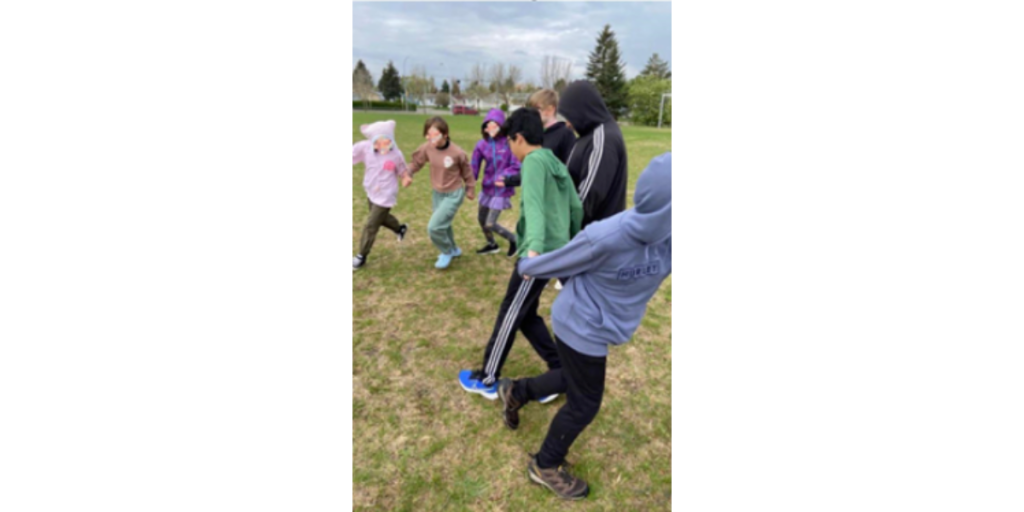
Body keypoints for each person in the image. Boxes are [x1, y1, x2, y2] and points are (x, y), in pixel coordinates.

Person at [497, 152, 672, 500]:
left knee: (573, 378)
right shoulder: (607, 236)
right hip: (580, 322)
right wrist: (529, 262)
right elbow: (549, 263)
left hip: (601, 323)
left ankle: (516, 392)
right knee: (585, 402)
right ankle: (545, 465)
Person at [458, 108, 582, 401]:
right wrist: (570, 239)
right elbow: (575, 207)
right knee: (525, 314)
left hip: (537, 256)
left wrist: (533, 253)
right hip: (554, 250)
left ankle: (488, 378)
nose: (509, 148)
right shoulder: (552, 159)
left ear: (519, 138)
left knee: (510, 311)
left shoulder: (534, 163)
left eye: (510, 141)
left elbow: (536, 208)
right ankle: (558, 369)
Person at [557, 80, 629, 229]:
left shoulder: (603, 139)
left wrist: (560, 225)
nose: (568, 124)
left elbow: (586, 200)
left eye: (569, 116)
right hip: (587, 237)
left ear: (581, 110)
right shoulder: (589, 135)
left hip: (596, 239)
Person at [407, 116, 475, 269]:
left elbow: (467, 171)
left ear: (445, 134)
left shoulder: (457, 152)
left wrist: (470, 188)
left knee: (434, 227)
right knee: (444, 224)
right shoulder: (427, 148)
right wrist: (408, 172)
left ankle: (446, 251)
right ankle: (454, 249)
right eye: (428, 135)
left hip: (454, 194)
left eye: (435, 135)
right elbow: (416, 162)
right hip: (437, 193)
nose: (431, 139)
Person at [351, 120, 410, 270]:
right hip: (371, 191)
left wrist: (405, 178)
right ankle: (400, 229)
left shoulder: (396, 154)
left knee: (371, 225)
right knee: (379, 218)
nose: (382, 146)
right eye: (377, 143)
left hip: (386, 194)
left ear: (391, 140)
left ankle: (361, 256)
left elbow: (403, 171)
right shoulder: (365, 148)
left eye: (386, 142)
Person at [470, 109, 520, 257]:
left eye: (494, 125)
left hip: (502, 189)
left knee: (491, 223)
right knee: (481, 219)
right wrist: (469, 182)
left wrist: (503, 177)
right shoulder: (481, 144)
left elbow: (516, 165)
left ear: (501, 126)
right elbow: (474, 165)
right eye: (488, 126)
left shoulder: (509, 143)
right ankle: (492, 244)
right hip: (487, 189)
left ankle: (515, 240)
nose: (491, 129)